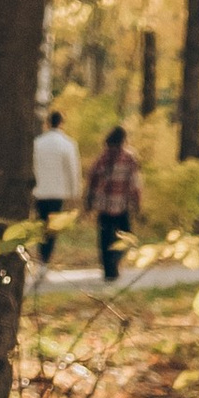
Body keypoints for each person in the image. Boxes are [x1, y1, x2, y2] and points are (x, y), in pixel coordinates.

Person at [84, 123, 142, 280]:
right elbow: (135, 183)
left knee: (104, 239)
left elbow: (92, 180)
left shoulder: (102, 158)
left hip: (104, 206)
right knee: (127, 237)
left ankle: (108, 270)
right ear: (124, 139)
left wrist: (89, 201)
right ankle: (115, 260)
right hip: (122, 205)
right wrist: (137, 203)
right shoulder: (129, 158)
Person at [30, 107, 81, 262]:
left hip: (40, 190)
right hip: (58, 192)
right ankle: (45, 258)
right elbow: (72, 169)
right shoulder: (68, 144)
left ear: (47, 123)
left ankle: (41, 254)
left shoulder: (37, 143)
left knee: (41, 224)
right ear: (61, 123)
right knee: (53, 226)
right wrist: (74, 192)